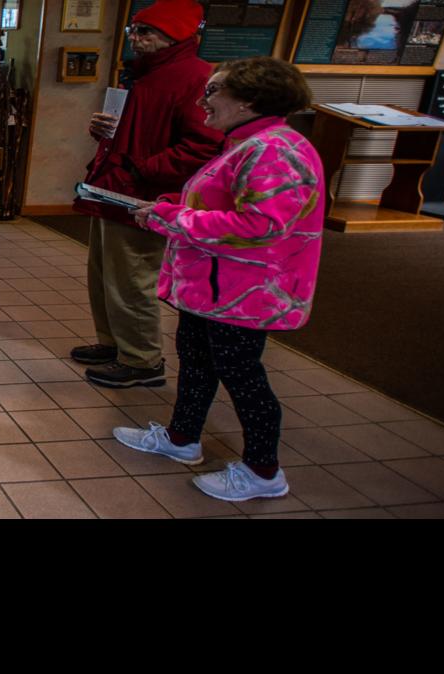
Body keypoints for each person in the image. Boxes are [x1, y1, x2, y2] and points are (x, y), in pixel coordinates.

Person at [115, 57, 325, 502]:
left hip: (245, 291)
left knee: (243, 377)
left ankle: (263, 471)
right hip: (214, 288)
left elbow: (262, 225)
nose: (201, 100)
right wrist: (173, 204)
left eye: (212, 91)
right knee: (196, 360)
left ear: (249, 99)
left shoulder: (274, 150)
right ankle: (182, 438)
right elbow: (221, 199)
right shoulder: (244, 142)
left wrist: (173, 215)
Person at [71, 0, 222, 389]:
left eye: (146, 32)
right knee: (104, 273)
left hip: (145, 196)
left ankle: (142, 360)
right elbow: (134, 129)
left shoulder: (194, 78)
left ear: (175, 35)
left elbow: (204, 145)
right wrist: (104, 131)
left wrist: (142, 167)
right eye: (133, 31)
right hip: (114, 187)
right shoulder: (143, 75)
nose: (135, 39)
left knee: (132, 277)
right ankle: (113, 343)